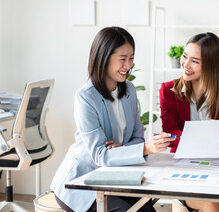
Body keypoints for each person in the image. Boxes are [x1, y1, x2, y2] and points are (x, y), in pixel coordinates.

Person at [50, 27, 173, 212]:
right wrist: (146, 148)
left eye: (131, 59)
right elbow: (101, 155)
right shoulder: (85, 97)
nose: (128, 65)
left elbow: (137, 135)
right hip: (82, 182)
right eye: (122, 59)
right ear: (103, 57)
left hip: (116, 174)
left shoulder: (129, 90)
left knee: (147, 209)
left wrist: (123, 150)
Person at [159, 32, 219, 212]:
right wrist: (206, 137)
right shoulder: (167, 90)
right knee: (211, 203)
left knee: (216, 201)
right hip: (186, 176)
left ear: (211, 65)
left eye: (195, 61)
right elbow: (170, 132)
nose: (186, 64)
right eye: (185, 56)